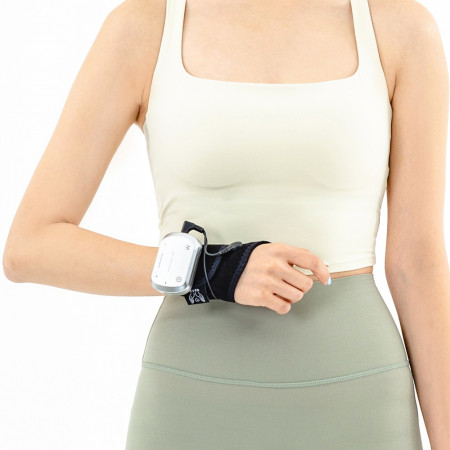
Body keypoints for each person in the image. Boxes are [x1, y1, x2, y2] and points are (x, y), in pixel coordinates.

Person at [3, 0, 449, 448]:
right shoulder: (143, 28)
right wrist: (212, 268)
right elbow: (30, 247)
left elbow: (418, 265)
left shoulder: (400, 29)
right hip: (189, 400)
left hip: (359, 399)